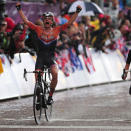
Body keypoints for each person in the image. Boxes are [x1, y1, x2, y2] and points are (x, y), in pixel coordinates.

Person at [16, 2, 82, 105]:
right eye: (45, 18)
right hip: (40, 59)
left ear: (52, 21)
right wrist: (19, 9)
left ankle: (50, 96)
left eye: (49, 19)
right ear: (43, 20)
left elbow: (69, 23)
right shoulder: (38, 29)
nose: (47, 20)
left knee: (55, 74)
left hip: (51, 58)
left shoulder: (57, 29)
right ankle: (39, 98)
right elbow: (26, 21)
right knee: (37, 78)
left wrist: (77, 12)